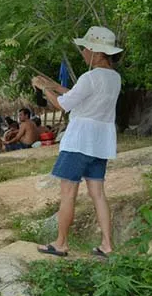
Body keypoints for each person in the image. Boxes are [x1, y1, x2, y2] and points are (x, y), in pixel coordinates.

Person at [32, 26, 123, 258]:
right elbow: (78, 95)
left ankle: (61, 243)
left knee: (68, 193)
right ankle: (106, 245)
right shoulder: (113, 78)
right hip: (100, 143)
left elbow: (64, 104)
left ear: (96, 51)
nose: (83, 51)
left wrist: (44, 88)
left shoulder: (90, 77)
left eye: (85, 47)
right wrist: (55, 86)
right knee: (98, 193)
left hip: (79, 141)